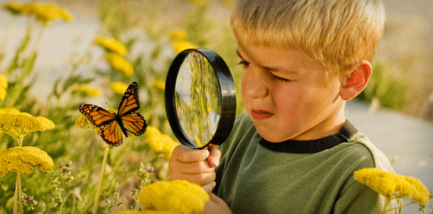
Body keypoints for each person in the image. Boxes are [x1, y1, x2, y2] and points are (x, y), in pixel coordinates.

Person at [169, 0, 398, 213]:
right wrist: (187, 186)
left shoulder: (363, 177)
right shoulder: (236, 133)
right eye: (245, 63)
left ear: (350, 79)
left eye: (280, 76)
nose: (252, 90)